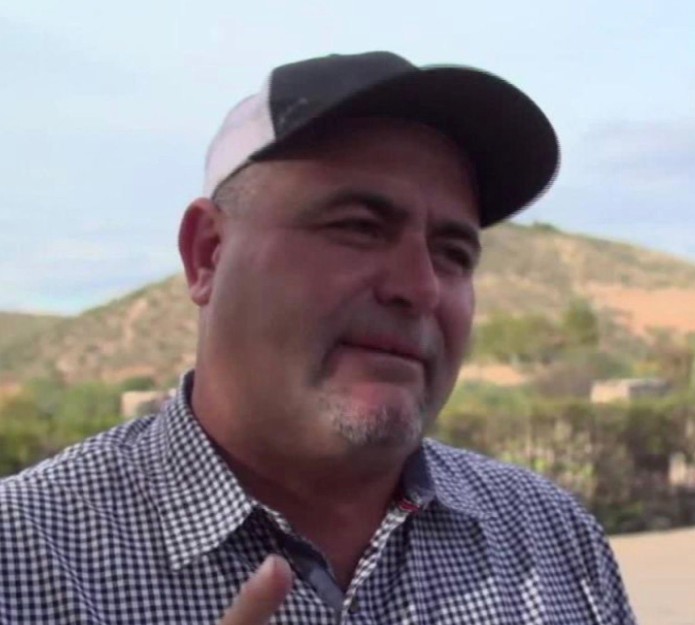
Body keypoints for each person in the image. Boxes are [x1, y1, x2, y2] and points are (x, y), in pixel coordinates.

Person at [0, 51, 636, 624]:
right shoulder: (24, 559)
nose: (419, 287)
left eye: (453, 253)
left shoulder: (553, 540)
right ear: (208, 253)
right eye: (357, 227)